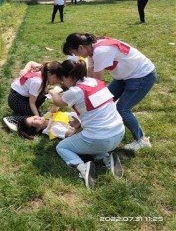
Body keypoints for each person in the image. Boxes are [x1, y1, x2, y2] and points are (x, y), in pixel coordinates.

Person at [62, 33, 156, 151]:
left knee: (122, 109)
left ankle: (141, 140)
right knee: (106, 100)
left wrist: (78, 93)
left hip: (142, 75)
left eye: (75, 53)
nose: (76, 56)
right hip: (124, 76)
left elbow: (96, 81)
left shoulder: (100, 51)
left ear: (81, 47)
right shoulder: (91, 51)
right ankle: (101, 128)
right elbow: (90, 74)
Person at [50, 59, 125, 189]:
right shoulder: (96, 82)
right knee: (92, 139)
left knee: (62, 147)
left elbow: (58, 102)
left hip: (100, 139)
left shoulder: (74, 92)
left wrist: (52, 92)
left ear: (71, 77)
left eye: (63, 79)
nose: (63, 82)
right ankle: (105, 157)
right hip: (118, 133)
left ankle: (83, 168)